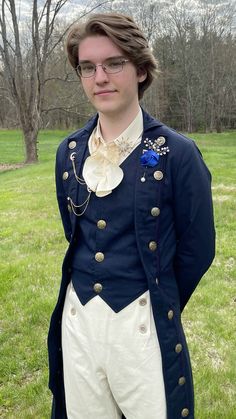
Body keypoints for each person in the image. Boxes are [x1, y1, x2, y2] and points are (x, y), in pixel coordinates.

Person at [48, 12, 215, 419]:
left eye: (114, 63)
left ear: (140, 69)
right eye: (88, 67)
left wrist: (156, 299)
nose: (100, 76)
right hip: (79, 323)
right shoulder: (69, 152)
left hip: (142, 329)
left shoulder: (176, 154)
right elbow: (75, 231)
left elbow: (198, 251)